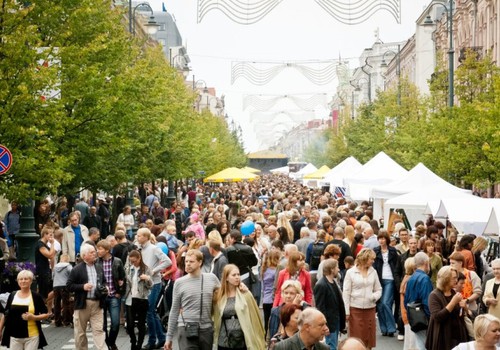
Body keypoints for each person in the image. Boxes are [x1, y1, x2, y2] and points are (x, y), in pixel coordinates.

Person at [164, 249, 221, 350]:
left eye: (191, 261)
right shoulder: (179, 282)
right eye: (186, 261)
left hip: (206, 328)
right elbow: (174, 310)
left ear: (200, 262)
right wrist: (169, 337)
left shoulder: (211, 278)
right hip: (185, 327)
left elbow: (225, 294)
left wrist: (241, 287)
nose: (188, 264)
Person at [213, 264, 265, 349]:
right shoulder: (219, 296)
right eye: (234, 275)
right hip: (224, 338)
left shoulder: (245, 293)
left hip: (242, 338)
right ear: (226, 278)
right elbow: (216, 316)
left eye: (238, 274)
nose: (237, 277)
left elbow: (254, 315)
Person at [66, 243, 107, 350]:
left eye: (95, 251)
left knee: (99, 330)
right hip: (82, 304)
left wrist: (105, 288)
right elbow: (69, 286)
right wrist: (82, 287)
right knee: (80, 333)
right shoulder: (76, 269)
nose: (95, 254)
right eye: (92, 252)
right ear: (84, 256)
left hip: (97, 304)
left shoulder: (98, 267)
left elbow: (103, 282)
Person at [136, 228, 171, 350]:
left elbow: (168, 261)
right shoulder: (139, 249)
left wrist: (153, 271)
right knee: (151, 312)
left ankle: (153, 340)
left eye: (139, 236)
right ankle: (161, 338)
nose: (137, 237)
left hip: (154, 283)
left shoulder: (154, 248)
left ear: (146, 237)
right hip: (144, 284)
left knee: (149, 311)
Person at [0, 270, 50, 349]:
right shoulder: (12, 295)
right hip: (14, 336)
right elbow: (5, 314)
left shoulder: (36, 296)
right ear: (18, 281)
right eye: (21, 279)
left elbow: (46, 314)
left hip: (32, 336)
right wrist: (0, 330)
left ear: (31, 281)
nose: (23, 281)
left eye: (26, 279)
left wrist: (34, 317)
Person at [342, 248, 382, 349]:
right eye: (371, 259)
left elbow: (379, 289)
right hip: (355, 310)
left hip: (370, 309)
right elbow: (346, 293)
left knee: (369, 338)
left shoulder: (373, 272)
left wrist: (373, 297)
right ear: (364, 258)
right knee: (356, 339)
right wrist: (346, 311)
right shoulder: (350, 272)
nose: (373, 261)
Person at [426, 265, 468, 350]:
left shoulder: (453, 292)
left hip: (457, 336)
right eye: (454, 278)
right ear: (445, 279)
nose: (456, 280)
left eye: (456, 278)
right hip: (442, 337)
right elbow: (437, 317)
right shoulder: (434, 295)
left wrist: (464, 308)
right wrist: (453, 302)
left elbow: (459, 314)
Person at [95, 240, 126, 350]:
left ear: (107, 250)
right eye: (97, 248)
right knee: (102, 325)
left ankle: (111, 342)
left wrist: (119, 292)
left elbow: (123, 277)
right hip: (101, 297)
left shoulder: (117, 261)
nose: (97, 251)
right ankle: (108, 345)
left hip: (114, 296)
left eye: (100, 249)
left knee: (116, 323)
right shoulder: (96, 262)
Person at [372, 232, 400, 337]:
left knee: (385, 303)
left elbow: (396, 266)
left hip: (390, 279)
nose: (381, 240)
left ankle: (391, 327)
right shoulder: (375, 251)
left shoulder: (392, 251)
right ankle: (384, 329)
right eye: (380, 238)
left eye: (383, 238)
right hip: (378, 279)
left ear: (386, 240)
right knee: (379, 304)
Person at [124, 250, 153, 350]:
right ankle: (133, 340)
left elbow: (151, 286)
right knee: (130, 325)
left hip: (142, 298)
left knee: (141, 324)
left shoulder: (146, 269)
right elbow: (125, 282)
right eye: (131, 261)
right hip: (130, 298)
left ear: (139, 258)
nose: (133, 263)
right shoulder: (128, 268)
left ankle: (139, 345)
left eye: (134, 261)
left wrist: (147, 279)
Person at [314, 259, 346, 350]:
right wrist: (324, 325)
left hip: (335, 322)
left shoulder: (333, 282)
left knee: (333, 345)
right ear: (332, 269)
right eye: (337, 267)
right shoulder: (321, 285)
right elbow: (320, 307)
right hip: (329, 323)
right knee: (330, 346)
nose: (339, 270)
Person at [404, 252, 433, 350]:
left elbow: (406, 300)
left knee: (420, 344)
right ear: (426, 263)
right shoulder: (425, 279)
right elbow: (427, 301)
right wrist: (431, 318)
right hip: (423, 317)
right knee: (425, 345)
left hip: (414, 317)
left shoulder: (411, 278)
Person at [34, 226, 56, 318]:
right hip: (42, 271)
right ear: (45, 234)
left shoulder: (45, 245)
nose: (52, 237)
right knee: (44, 294)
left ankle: (46, 312)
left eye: (53, 234)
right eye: (50, 234)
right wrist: (53, 244)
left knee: (51, 291)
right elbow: (50, 255)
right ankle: (39, 312)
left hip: (47, 270)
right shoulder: (40, 245)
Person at [261, 250, 280, 336]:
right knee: (274, 322)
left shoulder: (264, 270)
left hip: (265, 299)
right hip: (274, 299)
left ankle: (265, 338)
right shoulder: (276, 271)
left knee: (266, 321)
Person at [400, 258, 417, 350]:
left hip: (406, 314)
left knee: (409, 342)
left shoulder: (405, 279)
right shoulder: (410, 280)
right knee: (413, 343)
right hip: (412, 315)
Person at [53, 254, 73, 327]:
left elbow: (53, 276)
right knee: (65, 304)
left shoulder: (55, 266)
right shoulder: (68, 266)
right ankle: (66, 321)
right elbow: (72, 274)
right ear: (67, 259)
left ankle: (57, 321)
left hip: (56, 286)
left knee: (56, 304)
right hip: (64, 286)